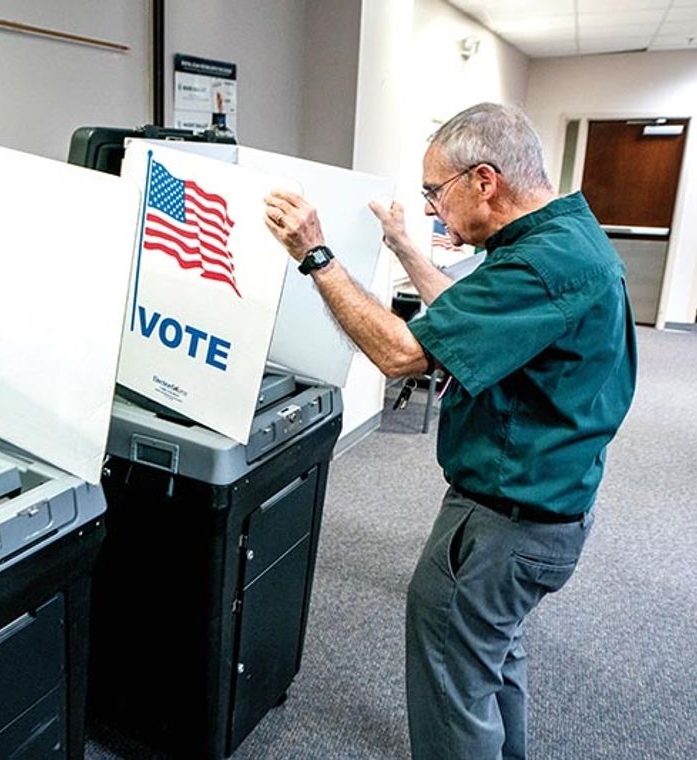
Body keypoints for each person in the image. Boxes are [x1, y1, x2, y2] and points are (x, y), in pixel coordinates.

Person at [263, 102, 637, 759]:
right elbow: (468, 319)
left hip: (505, 521)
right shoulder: (558, 238)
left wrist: (315, 255)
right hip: (548, 509)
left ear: (484, 181)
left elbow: (403, 354)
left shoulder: (538, 266)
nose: (433, 209)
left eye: (435, 192)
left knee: (453, 682)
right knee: (491, 656)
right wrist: (407, 246)